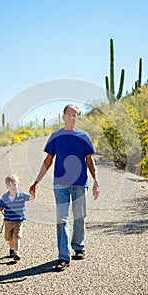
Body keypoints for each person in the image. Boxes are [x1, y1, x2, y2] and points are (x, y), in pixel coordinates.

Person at [29, 104, 100, 272]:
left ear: (78, 117)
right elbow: (48, 160)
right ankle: (63, 257)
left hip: (79, 183)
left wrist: (96, 181)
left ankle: (78, 246)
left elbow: (90, 160)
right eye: (69, 114)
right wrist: (36, 181)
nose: (72, 117)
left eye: (75, 115)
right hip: (60, 184)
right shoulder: (56, 136)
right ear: (63, 116)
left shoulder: (83, 136)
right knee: (61, 220)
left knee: (79, 217)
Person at [0, 174, 34, 261]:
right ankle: (12, 249)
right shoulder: (5, 197)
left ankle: (16, 252)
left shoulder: (22, 196)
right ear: (7, 187)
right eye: (10, 185)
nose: (13, 187)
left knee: (16, 236)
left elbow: (31, 198)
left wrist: (33, 193)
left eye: (14, 184)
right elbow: (1, 206)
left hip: (18, 221)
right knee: (9, 238)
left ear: (18, 185)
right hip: (8, 221)